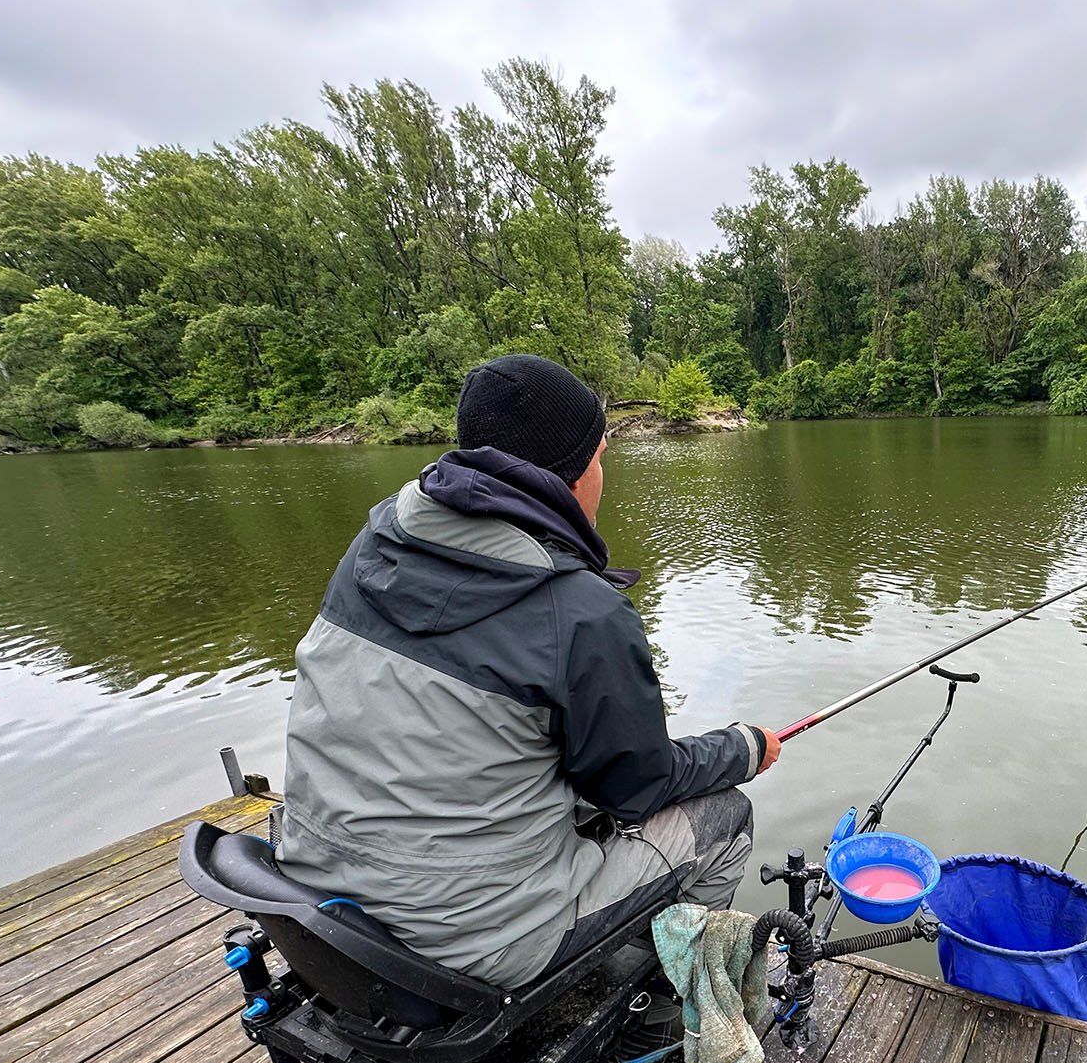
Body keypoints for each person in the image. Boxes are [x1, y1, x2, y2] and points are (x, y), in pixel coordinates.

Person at [277, 353, 780, 989]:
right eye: (601, 456)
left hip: (315, 906)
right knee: (724, 819)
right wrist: (743, 746)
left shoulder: (373, 548)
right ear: (573, 472)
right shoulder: (582, 613)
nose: (604, 475)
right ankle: (652, 1017)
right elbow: (638, 787)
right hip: (467, 949)